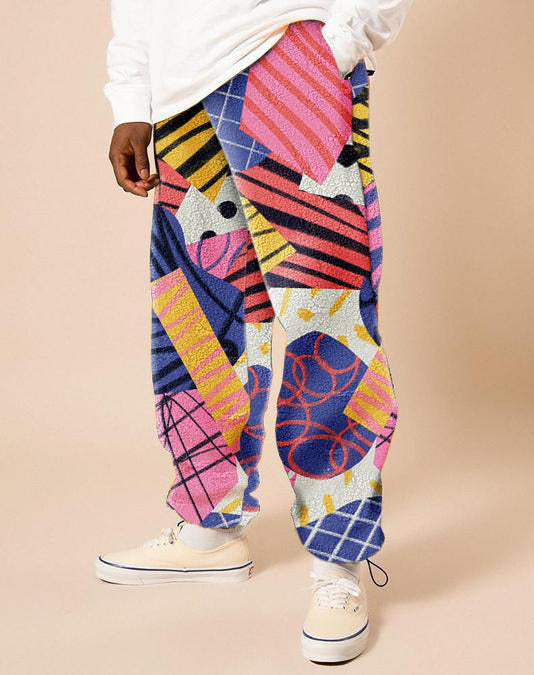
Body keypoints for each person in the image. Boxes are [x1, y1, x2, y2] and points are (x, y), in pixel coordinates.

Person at [96, 0, 412, 663]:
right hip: (179, 92)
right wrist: (133, 97)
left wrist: (341, 43)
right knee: (200, 319)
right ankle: (210, 527)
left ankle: (338, 560)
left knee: (325, 312)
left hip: (284, 57)